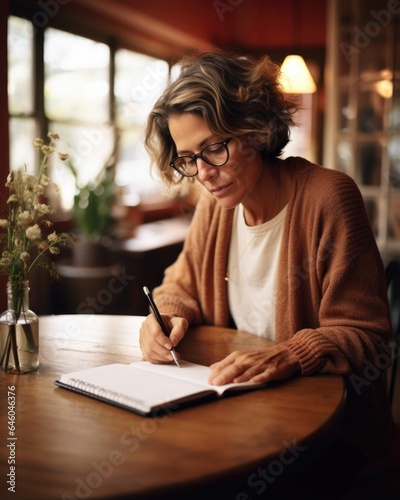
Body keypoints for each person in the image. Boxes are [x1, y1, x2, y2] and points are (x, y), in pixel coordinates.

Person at [139, 51, 399, 497]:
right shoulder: (215, 208)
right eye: (188, 159)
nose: (203, 173)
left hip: (330, 434)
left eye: (214, 148)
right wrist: (164, 315)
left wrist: (292, 354)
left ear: (254, 129)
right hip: (238, 418)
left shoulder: (328, 197)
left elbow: (367, 333)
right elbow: (179, 283)